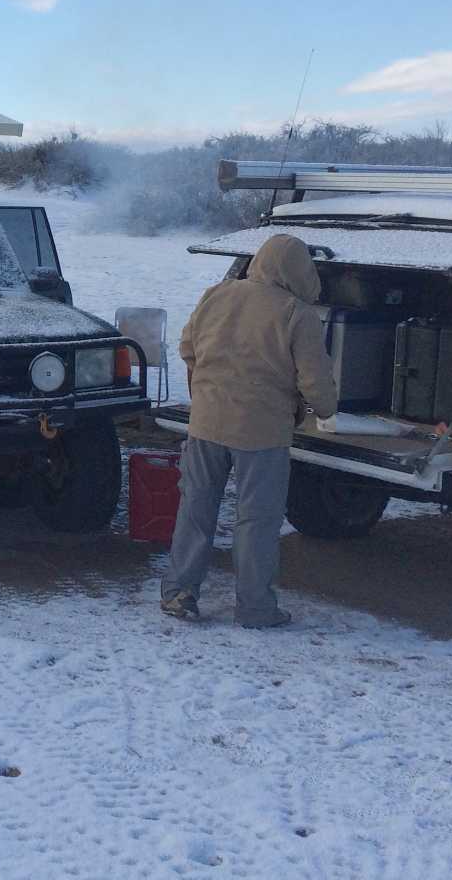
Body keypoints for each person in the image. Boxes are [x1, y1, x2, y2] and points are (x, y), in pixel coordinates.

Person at [160, 233, 338, 628]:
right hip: (261, 434)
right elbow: (315, 382)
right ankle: (255, 608)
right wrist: (325, 410)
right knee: (257, 520)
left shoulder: (217, 294)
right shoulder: (297, 313)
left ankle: (179, 593)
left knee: (195, 510)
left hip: (206, 424)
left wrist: (206, 390)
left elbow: (188, 348)